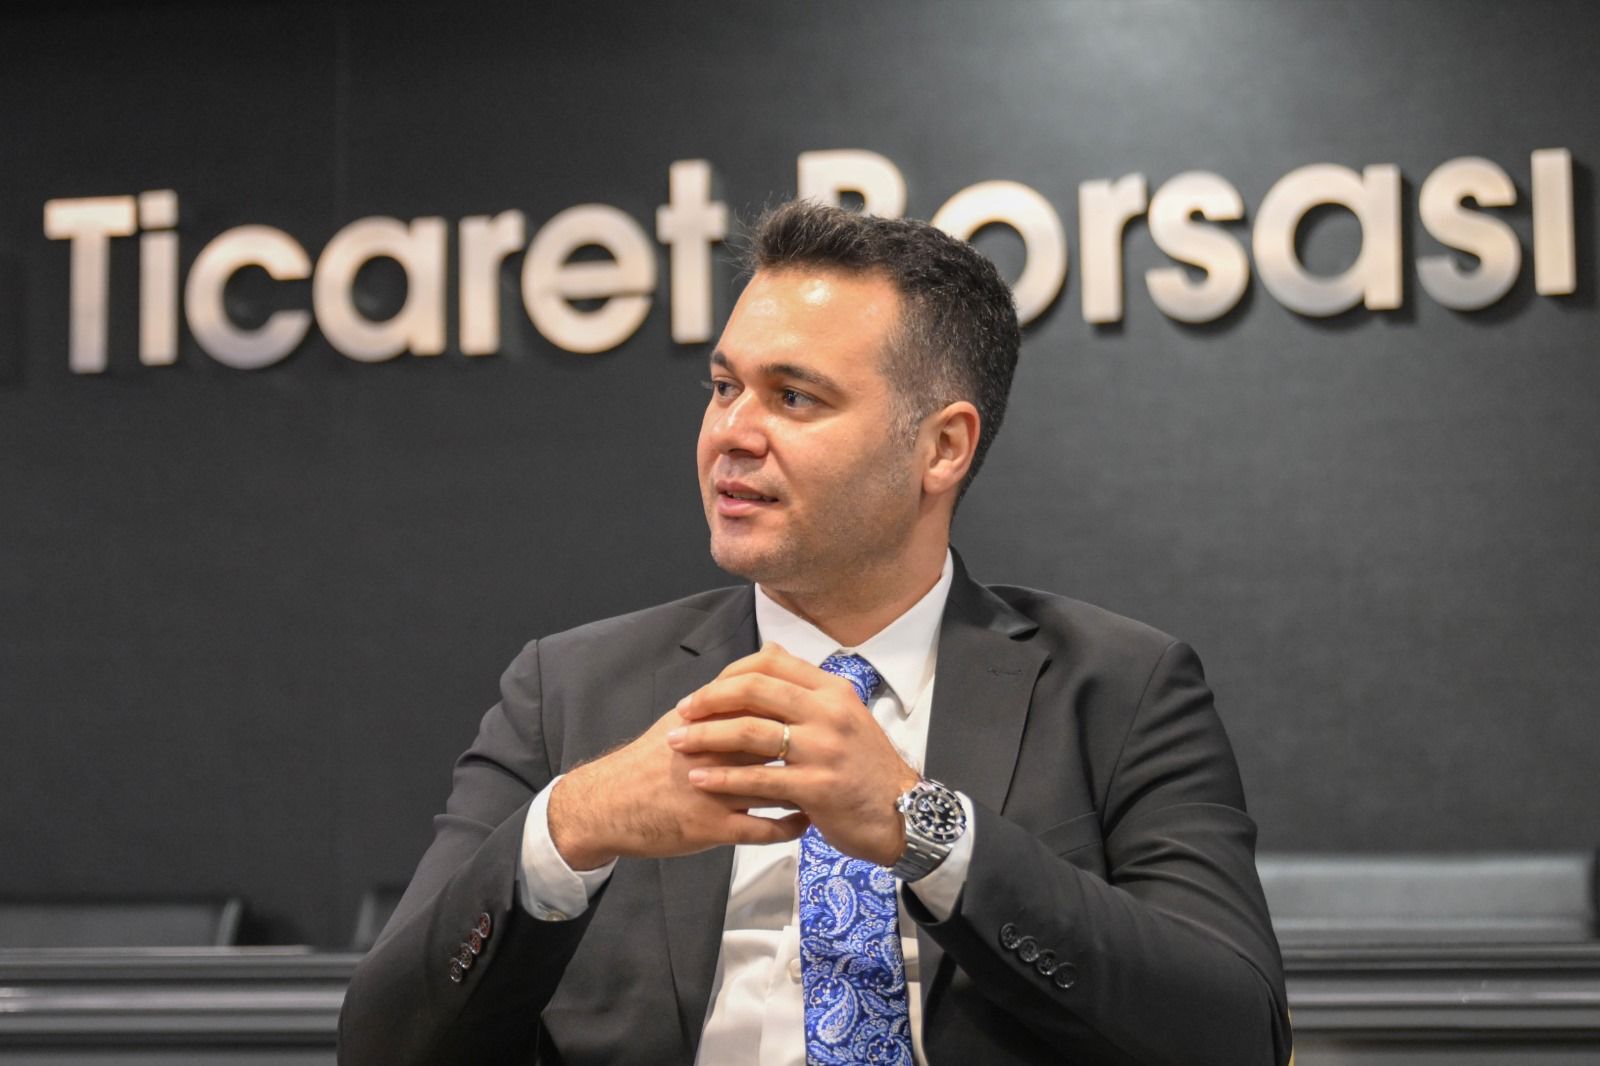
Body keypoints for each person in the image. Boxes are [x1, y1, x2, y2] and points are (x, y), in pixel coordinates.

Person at [338, 201, 1292, 1066]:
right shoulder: (570, 691)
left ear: (942, 447)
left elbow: (1236, 1034)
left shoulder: (1119, 689)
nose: (732, 434)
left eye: (794, 397)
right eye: (724, 388)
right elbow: (380, 1046)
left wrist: (927, 830)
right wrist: (572, 828)